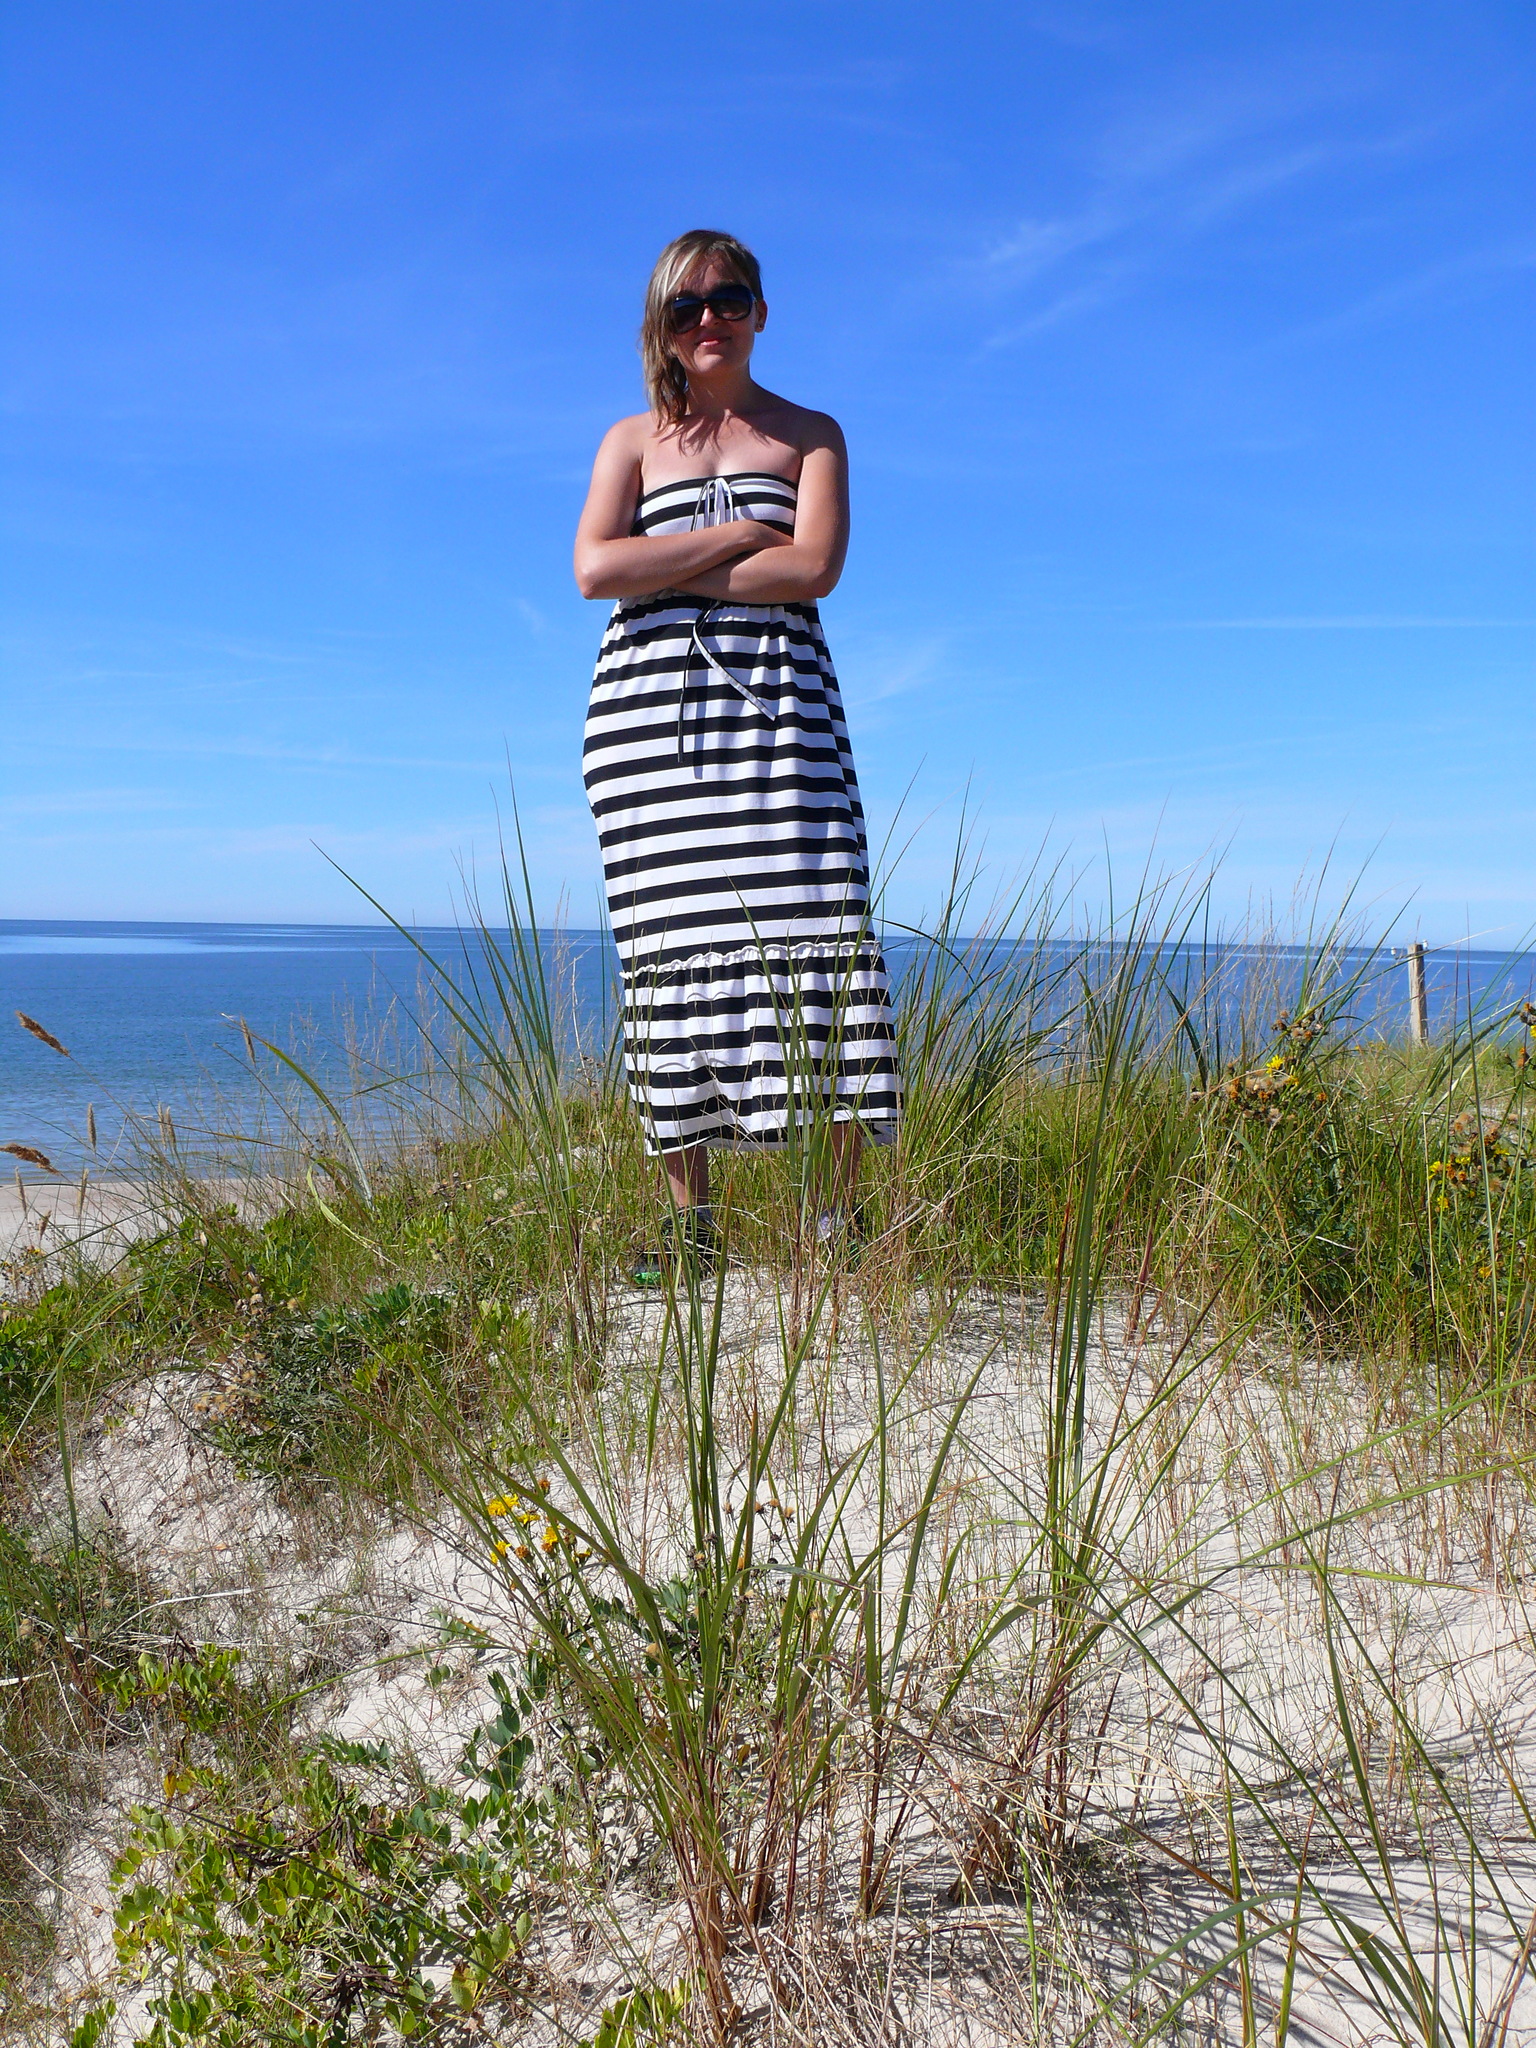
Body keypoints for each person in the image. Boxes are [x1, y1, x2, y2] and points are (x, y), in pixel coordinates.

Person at [574, 228, 899, 1278]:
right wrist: (739, 537)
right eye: (686, 305)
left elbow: (814, 569)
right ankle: (690, 1228)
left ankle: (836, 1221)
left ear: (761, 310)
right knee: (667, 953)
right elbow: (595, 570)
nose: (708, 318)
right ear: (661, 326)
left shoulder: (811, 434)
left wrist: (665, 563)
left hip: (782, 725)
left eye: (728, 298)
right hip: (649, 732)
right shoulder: (632, 441)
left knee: (823, 935)